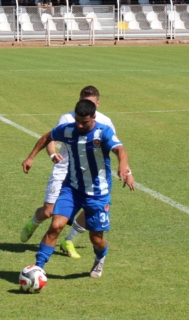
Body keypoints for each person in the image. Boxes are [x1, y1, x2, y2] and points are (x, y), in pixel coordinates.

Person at [21, 99, 134, 278]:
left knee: (96, 239)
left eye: (85, 122)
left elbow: (120, 150)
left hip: (98, 195)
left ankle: (100, 257)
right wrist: (30, 157)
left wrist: (123, 166)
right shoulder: (68, 129)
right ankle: (38, 268)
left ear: (94, 117)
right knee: (55, 226)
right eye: (78, 120)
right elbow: (47, 137)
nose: (80, 125)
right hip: (72, 189)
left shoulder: (103, 132)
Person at [20, 86, 116, 258]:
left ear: (97, 105)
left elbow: (113, 146)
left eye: (90, 103)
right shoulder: (68, 118)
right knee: (49, 212)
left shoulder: (105, 122)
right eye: (82, 102)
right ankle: (33, 223)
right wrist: (52, 155)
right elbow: (51, 139)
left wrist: (125, 169)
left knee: (90, 206)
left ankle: (69, 240)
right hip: (64, 169)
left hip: (90, 177)